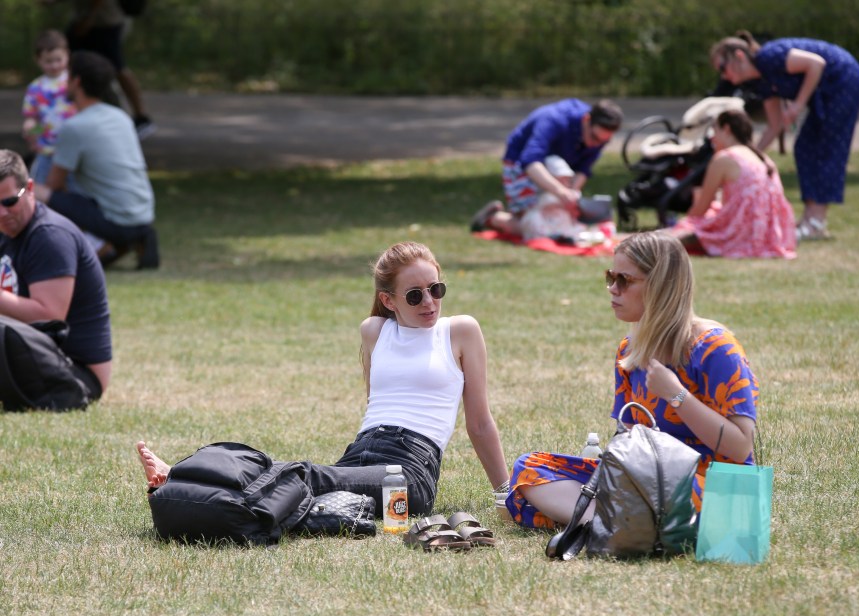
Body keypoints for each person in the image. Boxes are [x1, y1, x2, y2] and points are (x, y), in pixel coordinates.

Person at [137, 241, 510, 517]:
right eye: (415, 295)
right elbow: (377, 405)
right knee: (296, 494)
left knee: (305, 477)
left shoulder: (460, 331)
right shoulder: (375, 331)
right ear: (389, 300)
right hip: (361, 451)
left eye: (436, 289)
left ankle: (181, 475)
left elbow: (478, 423)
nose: (429, 301)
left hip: (410, 471)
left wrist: (505, 493)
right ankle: (187, 488)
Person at [505, 231, 758, 528]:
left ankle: (608, 522)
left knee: (656, 497)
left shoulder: (715, 349)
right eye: (610, 277)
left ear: (662, 286)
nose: (613, 289)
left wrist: (677, 395)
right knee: (530, 468)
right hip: (646, 482)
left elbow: (740, 447)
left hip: (709, 485)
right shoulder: (630, 351)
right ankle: (602, 525)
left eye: (624, 280)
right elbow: (629, 439)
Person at [710, 31, 859, 241]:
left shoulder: (769, 56)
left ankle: (816, 222)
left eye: (723, 67)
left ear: (739, 56)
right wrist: (748, 157)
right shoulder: (762, 81)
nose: (723, 76)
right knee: (804, 148)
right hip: (827, 91)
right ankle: (810, 219)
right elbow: (774, 126)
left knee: (826, 148)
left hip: (844, 79)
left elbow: (816, 64)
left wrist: (798, 104)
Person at [0, 149, 111, 402]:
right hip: (29, 357)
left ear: (29, 188)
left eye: (8, 202)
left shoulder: (49, 236)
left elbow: (49, 316)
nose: (2, 213)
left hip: (76, 376)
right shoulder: (6, 230)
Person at [33, 50, 159, 270]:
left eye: (68, 76)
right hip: (143, 214)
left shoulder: (75, 127)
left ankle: (98, 245)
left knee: (34, 191)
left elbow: (54, 185)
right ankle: (121, 242)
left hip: (116, 220)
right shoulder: (120, 117)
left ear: (77, 81)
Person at [470, 98, 623, 234]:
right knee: (534, 227)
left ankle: (512, 215)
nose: (595, 145)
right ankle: (494, 218)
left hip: (557, 168)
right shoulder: (554, 119)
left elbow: (583, 169)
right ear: (586, 119)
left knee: (555, 219)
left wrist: (572, 194)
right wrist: (562, 193)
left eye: (604, 142)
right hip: (522, 164)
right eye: (594, 137)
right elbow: (530, 162)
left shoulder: (598, 135)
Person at [668, 110, 796, 259]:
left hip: (741, 233)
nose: (712, 138)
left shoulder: (724, 158)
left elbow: (700, 209)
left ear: (726, 129)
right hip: (770, 236)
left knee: (685, 229)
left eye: (714, 131)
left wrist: (685, 222)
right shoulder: (764, 159)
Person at [56, 0, 156, 138]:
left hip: (104, 21)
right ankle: (64, 112)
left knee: (117, 68)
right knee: (70, 62)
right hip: (85, 20)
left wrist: (89, 18)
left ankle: (141, 117)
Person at [20, 30, 78, 186]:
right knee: (40, 187)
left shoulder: (74, 82)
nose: (54, 65)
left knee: (75, 189)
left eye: (58, 60)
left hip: (74, 149)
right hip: (46, 150)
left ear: (67, 55)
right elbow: (33, 118)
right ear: (38, 60)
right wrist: (31, 130)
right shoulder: (35, 87)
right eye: (48, 61)